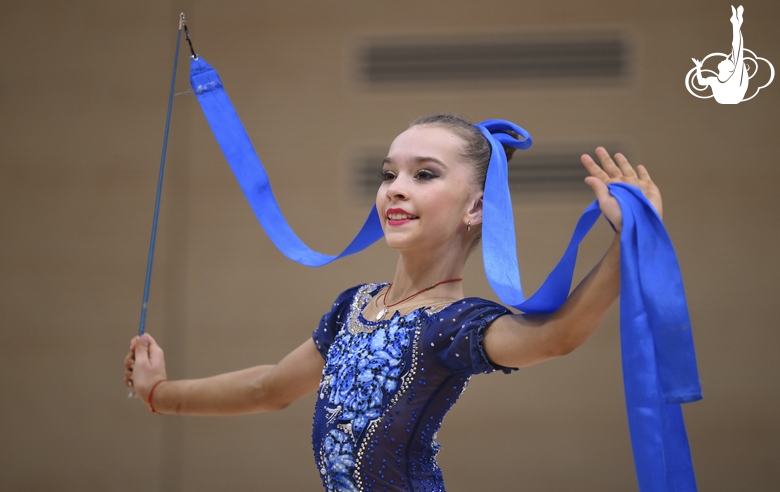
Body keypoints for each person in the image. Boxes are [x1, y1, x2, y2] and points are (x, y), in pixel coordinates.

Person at [124, 114, 662, 491]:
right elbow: (270, 388)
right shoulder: (353, 308)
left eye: (424, 174)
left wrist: (629, 242)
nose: (395, 188)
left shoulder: (454, 324)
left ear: (476, 208)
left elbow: (556, 336)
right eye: (389, 174)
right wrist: (161, 395)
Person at [692, 5, 748, 104]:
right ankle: (736, 24)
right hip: (731, 97)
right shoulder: (717, 79)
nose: (724, 59)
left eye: (726, 61)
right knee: (737, 52)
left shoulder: (722, 79)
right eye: (727, 61)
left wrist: (698, 67)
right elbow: (700, 82)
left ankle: (736, 24)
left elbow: (701, 82)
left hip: (731, 96)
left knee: (737, 51)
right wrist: (698, 67)